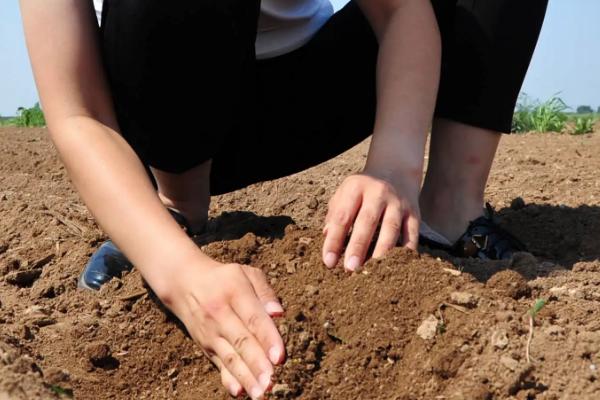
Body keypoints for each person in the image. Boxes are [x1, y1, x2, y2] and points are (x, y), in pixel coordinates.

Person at [20, 0, 547, 398]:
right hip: (168, 109)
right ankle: (176, 210)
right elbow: (78, 113)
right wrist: (178, 273)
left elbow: (401, 13)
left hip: (313, 94)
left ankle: (450, 210)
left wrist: (392, 166)